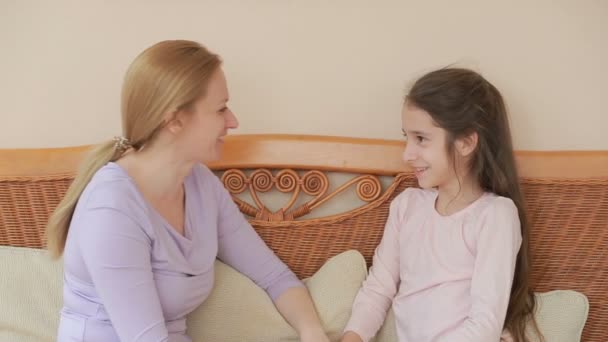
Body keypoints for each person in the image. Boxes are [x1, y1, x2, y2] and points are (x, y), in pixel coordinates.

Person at [46, 40, 330, 342]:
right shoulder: (111, 208)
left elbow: (274, 276)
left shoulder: (200, 184)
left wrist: (312, 331)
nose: (233, 121)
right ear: (175, 120)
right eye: (220, 109)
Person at [341, 68, 541, 342]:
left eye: (421, 139)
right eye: (406, 137)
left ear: (466, 142)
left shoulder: (495, 216)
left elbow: (484, 324)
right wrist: (352, 337)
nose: (407, 154)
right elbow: (379, 288)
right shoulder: (407, 206)